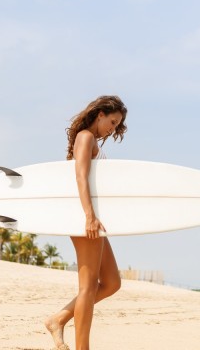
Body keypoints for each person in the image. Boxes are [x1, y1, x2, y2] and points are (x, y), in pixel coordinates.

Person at [45, 95, 128, 350]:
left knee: (112, 282)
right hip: (86, 220)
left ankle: (58, 319)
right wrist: (89, 216)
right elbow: (80, 176)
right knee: (88, 287)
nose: (112, 128)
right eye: (112, 122)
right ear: (100, 114)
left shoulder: (91, 140)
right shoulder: (85, 137)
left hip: (93, 220)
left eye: (117, 125)